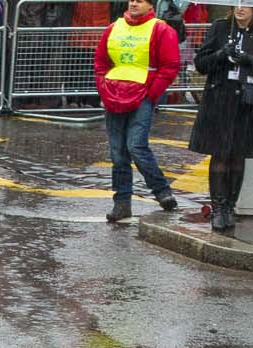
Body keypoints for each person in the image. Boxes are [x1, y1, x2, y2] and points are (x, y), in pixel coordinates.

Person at [188, 4, 253, 234]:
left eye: (246, 4)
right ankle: (218, 208)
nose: (241, 8)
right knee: (220, 153)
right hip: (220, 99)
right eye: (237, 4)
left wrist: (250, 60)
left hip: (248, 103)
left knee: (239, 155)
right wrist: (222, 54)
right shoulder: (220, 27)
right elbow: (201, 63)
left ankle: (230, 206)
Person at [95, 0, 182, 223]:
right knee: (118, 153)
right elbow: (101, 62)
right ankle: (122, 204)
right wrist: (104, 88)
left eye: (140, 0)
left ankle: (161, 191)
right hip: (114, 94)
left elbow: (170, 66)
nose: (134, 3)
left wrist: (151, 95)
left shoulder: (162, 30)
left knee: (135, 146)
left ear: (150, 5)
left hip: (142, 95)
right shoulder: (114, 27)